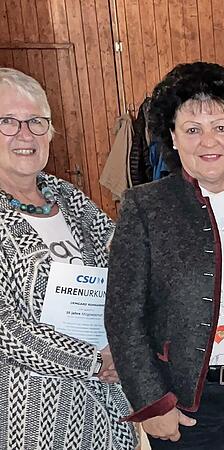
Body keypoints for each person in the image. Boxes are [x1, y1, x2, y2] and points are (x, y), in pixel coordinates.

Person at [105, 62, 224, 449]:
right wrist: (151, 402)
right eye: (192, 129)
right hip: (185, 403)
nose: (208, 142)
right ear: (173, 138)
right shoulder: (145, 208)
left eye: (221, 127)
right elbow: (123, 314)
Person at [0, 68, 136, 449]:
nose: (24, 134)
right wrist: (93, 360)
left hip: (106, 408)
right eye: (8, 121)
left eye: (36, 122)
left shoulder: (68, 196)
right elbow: (6, 329)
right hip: (31, 414)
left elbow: (124, 259)